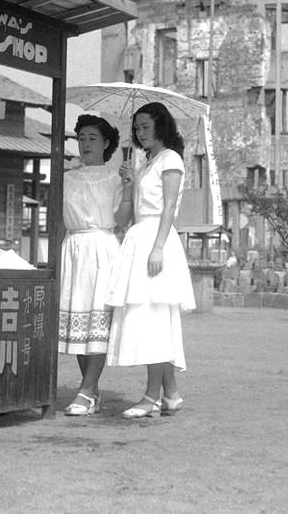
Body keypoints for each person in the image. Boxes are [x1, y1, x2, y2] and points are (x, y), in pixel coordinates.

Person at [106, 102, 195, 418]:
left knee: (153, 316)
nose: (140, 133)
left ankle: (151, 396)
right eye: (137, 128)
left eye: (145, 126)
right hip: (138, 237)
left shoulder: (170, 159)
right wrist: (129, 184)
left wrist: (157, 248)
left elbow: (169, 207)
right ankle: (170, 394)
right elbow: (126, 216)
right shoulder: (143, 162)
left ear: (160, 126)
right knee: (147, 315)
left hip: (158, 238)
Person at [57, 114, 127, 416]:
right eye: (81, 138)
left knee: (96, 320)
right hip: (73, 249)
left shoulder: (115, 178)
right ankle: (92, 390)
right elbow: (60, 221)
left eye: (92, 138)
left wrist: (129, 188)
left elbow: (122, 222)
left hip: (102, 249)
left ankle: (85, 390)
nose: (85, 144)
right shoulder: (67, 177)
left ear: (106, 143)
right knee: (77, 323)